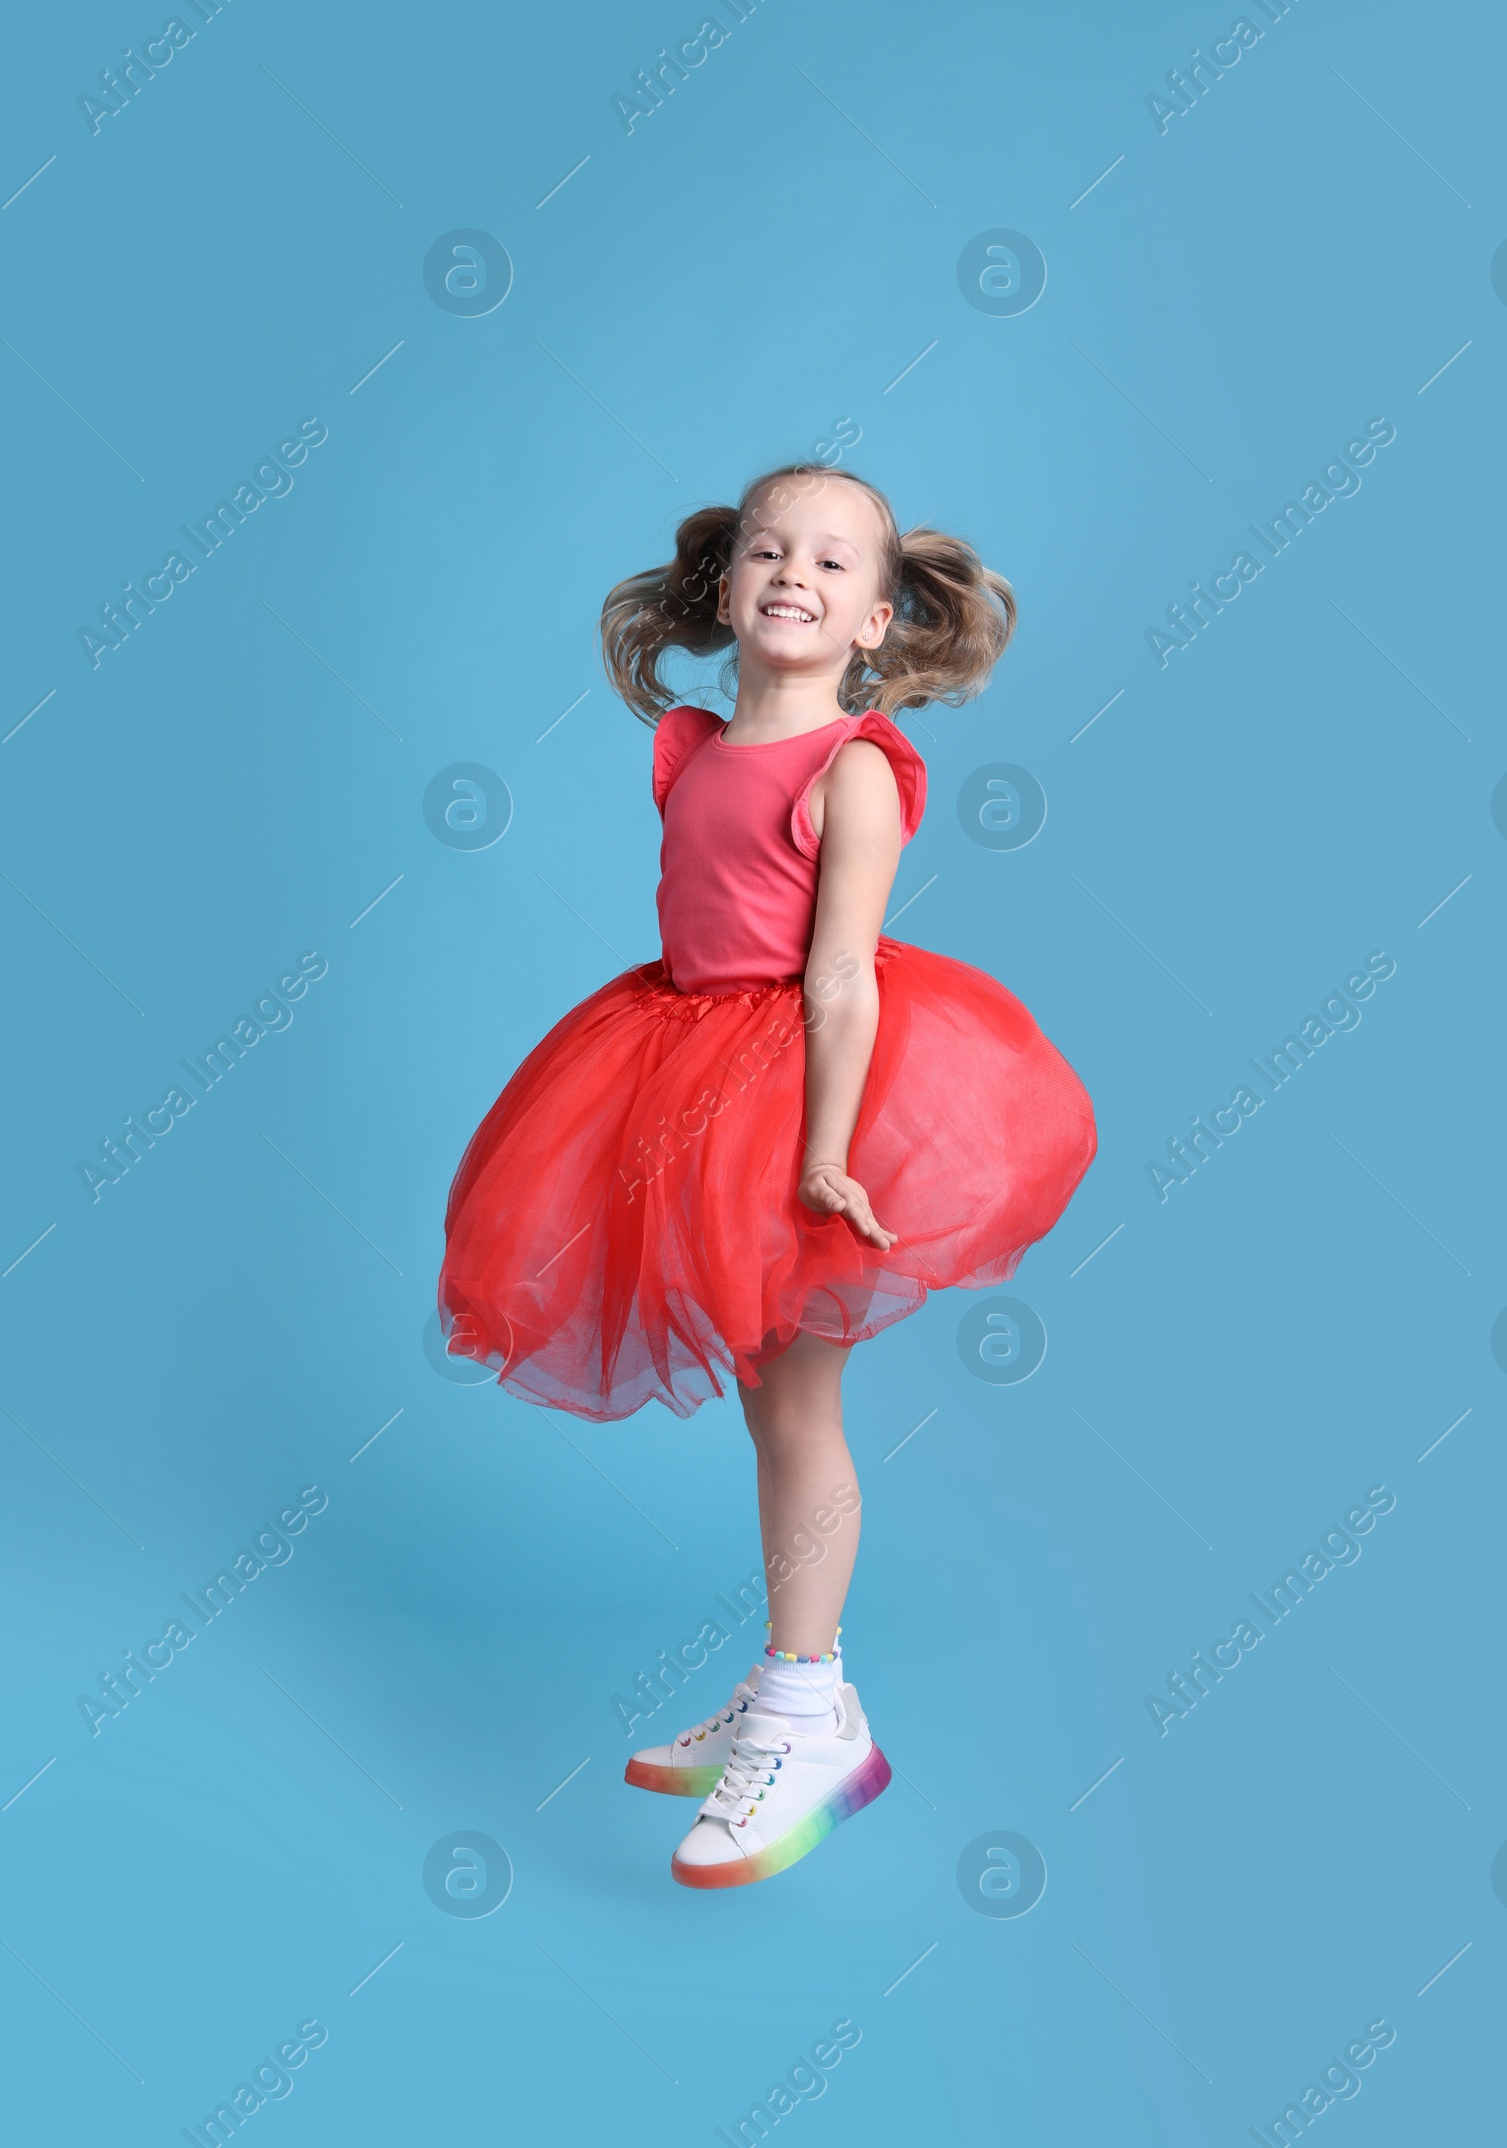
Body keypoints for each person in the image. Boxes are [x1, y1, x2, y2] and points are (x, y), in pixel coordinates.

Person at [438, 463, 1096, 1887]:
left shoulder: (853, 766)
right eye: (766, 551)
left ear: (875, 621)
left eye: (833, 562)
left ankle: (810, 1714)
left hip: (796, 1084)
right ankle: (810, 1682)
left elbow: (842, 978)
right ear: (727, 588)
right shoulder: (688, 747)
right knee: (765, 1401)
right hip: (675, 1068)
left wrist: (820, 1155)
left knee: (799, 1402)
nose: (794, 572)